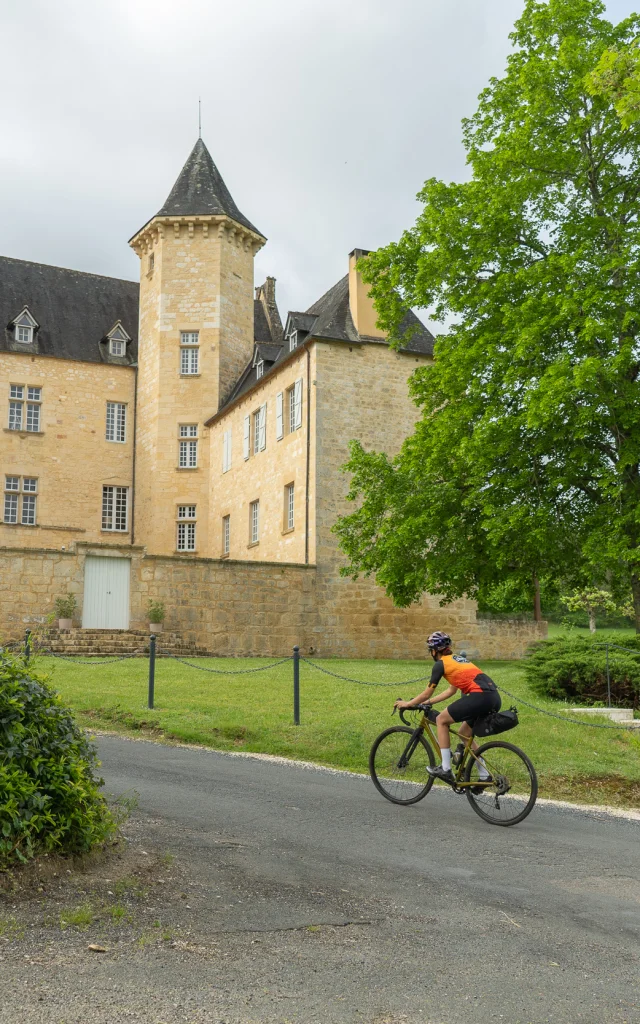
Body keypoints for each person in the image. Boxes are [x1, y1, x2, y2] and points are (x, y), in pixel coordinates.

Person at [394, 631, 501, 785]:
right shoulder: (458, 660)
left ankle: (445, 768)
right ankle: (484, 774)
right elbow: (451, 691)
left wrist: (408, 703)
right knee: (464, 733)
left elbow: (427, 692)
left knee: (441, 720)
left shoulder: (440, 664)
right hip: (494, 698)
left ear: (434, 651)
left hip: (480, 696)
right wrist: (428, 703)